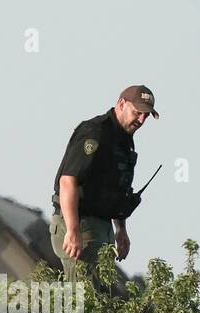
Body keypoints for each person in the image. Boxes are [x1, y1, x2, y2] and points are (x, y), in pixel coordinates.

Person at [49, 85, 159, 288]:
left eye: (146, 116)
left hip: (101, 227)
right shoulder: (95, 132)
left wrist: (121, 230)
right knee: (82, 301)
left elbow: (117, 188)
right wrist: (73, 230)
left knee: (95, 300)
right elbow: (68, 182)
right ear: (121, 104)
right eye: (138, 113)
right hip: (80, 224)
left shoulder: (124, 140)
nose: (141, 121)